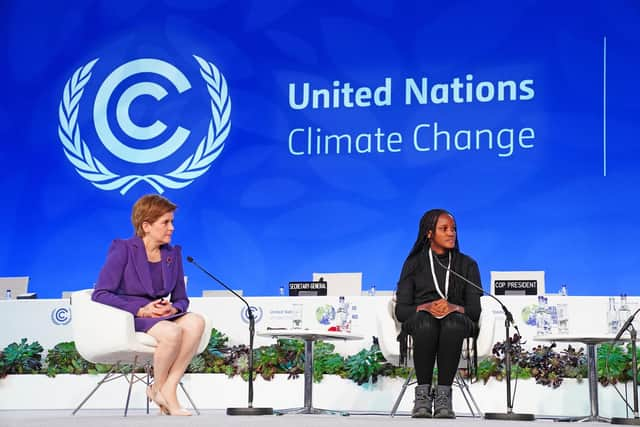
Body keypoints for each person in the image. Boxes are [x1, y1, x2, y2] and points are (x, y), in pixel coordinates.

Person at [92, 194, 205, 416]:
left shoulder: (173, 254)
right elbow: (101, 293)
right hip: (133, 315)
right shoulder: (123, 249)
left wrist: (174, 309)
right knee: (172, 332)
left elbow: (182, 298)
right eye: (165, 222)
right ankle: (164, 391)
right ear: (146, 225)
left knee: (195, 322)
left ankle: (164, 387)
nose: (171, 228)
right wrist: (141, 309)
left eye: (172, 222)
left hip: (162, 314)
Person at [395, 209, 482, 418]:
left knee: (453, 324)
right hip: (421, 319)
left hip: (458, 320)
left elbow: (474, 311)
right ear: (429, 233)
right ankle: (422, 397)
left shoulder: (467, 264)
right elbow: (401, 311)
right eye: (444, 229)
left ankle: (444, 397)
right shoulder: (413, 264)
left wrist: (454, 308)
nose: (451, 233)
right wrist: (424, 307)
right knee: (426, 323)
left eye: (453, 229)